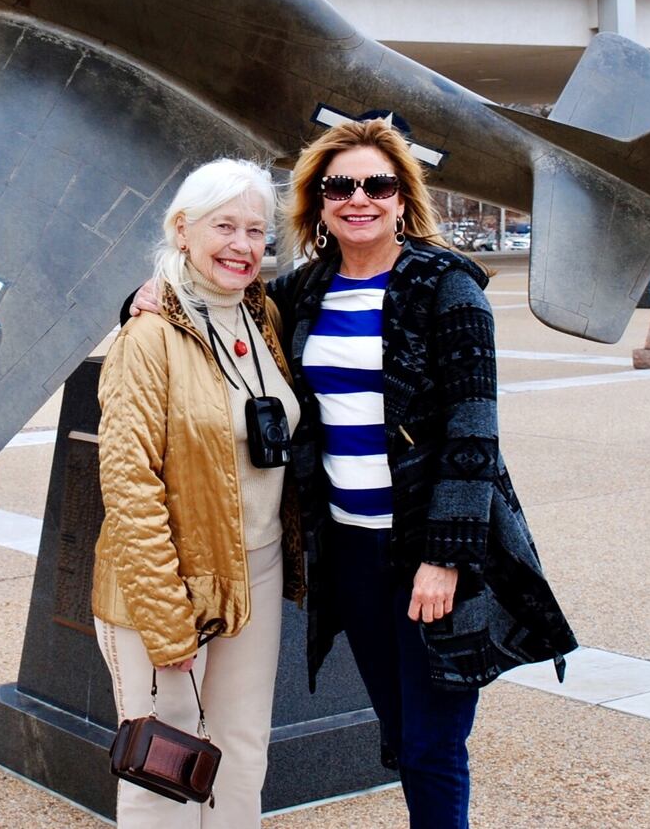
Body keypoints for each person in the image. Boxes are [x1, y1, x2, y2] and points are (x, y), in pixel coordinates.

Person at [130, 118, 575, 828]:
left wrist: (444, 558)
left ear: (403, 198)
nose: (358, 197)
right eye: (341, 185)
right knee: (399, 733)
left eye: (378, 184)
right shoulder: (303, 290)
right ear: (318, 201)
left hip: (430, 553)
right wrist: (148, 295)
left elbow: (473, 433)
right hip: (352, 553)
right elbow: (214, 291)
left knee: (433, 743)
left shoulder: (445, 287)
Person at [93, 158, 304, 829]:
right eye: (225, 226)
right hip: (169, 581)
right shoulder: (148, 334)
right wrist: (164, 615)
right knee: (165, 764)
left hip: (257, 567)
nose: (243, 245)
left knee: (243, 750)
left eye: (257, 230)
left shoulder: (263, 315)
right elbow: (128, 484)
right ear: (181, 228)